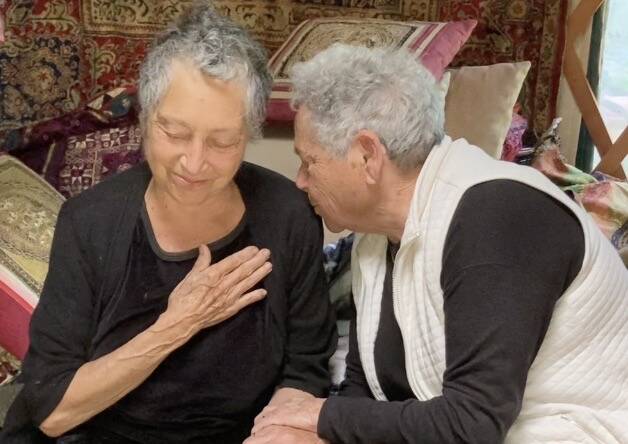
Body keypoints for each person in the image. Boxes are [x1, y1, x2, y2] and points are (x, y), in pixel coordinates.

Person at [248, 44, 628, 443]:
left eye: (309, 161)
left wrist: (319, 416)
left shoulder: (499, 215)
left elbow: (472, 424)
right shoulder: (374, 238)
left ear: (367, 155)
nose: (300, 181)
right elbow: (366, 390)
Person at [1, 3, 336, 443]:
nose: (194, 163)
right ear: (145, 118)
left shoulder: (288, 214)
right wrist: (178, 324)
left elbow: (305, 368)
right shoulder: (90, 223)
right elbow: (51, 411)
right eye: (174, 134)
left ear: (249, 133)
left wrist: (277, 431)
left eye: (222, 142)